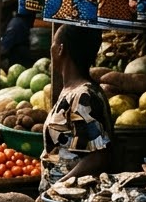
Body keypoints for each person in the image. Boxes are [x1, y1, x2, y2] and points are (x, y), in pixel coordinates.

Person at [42, 25, 114, 192]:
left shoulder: (83, 95)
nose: (50, 48)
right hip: (58, 199)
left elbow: (99, 156)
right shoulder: (71, 91)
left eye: (53, 43)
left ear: (60, 49)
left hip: (73, 199)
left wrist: (57, 188)